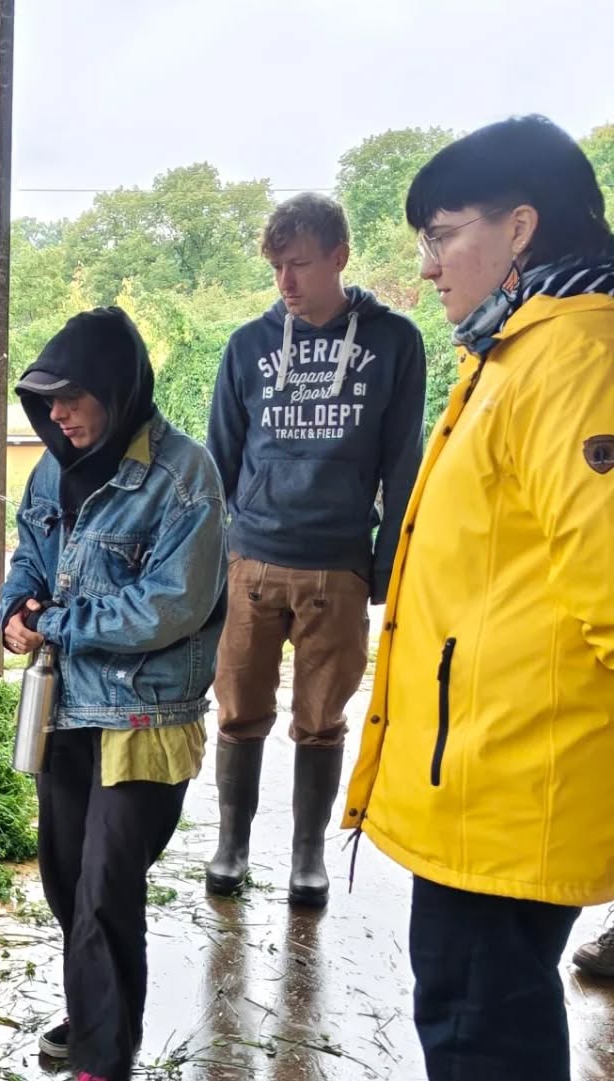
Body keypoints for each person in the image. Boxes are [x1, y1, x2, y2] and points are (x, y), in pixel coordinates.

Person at [344, 115, 614, 1081]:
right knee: (473, 1004)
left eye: (444, 234)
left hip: (521, 768)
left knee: (481, 1011)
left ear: (522, 226)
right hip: (486, 763)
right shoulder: (515, 349)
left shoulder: (575, 356)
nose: (429, 263)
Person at [0, 307, 227, 1081]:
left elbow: (172, 605)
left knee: (104, 887)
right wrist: (12, 613)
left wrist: (54, 622)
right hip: (65, 710)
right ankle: (91, 1016)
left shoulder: (183, 477)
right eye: (45, 402)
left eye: (72, 399)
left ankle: (105, 1063)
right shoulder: (50, 474)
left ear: (119, 389)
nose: (57, 416)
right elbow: (27, 562)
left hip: (143, 714)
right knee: (64, 877)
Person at [205, 194, 427, 906]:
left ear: (339, 256)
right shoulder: (247, 345)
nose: (286, 283)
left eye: (299, 264)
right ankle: (231, 845)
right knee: (238, 708)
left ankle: (307, 855)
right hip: (255, 560)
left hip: (338, 563)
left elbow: (403, 463)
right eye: (276, 268)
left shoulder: (395, 342)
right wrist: (221, 558)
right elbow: (221, 457)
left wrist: (386, 564)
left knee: (322, 717)